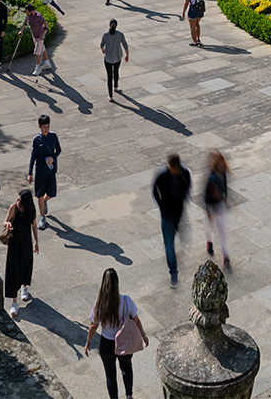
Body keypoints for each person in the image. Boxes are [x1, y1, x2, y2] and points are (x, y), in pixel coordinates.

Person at [82, 268, 145, 399]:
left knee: (110, 376)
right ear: (117, 283)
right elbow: (137, 320)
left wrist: (88, 342)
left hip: (107, 344)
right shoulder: (126, 300)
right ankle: (129, 395)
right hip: (125, 342)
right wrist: (143, 336)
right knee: (126, 368)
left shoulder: (99, 304)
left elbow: (93, 325)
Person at [152, 152, 192, 286]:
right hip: (167, 214)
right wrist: (161, 205)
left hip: (178, 212)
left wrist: (184, 198)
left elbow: (187, 187)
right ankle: (173, 272)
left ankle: (180, 232)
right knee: (169, 244)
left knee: (176, 235)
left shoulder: (185, 173)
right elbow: (154, 190)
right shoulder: (162, 176)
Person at [2, 188, 40, 315]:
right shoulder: (13, 208)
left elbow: (34, 225)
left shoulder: (30, 210)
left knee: (26, 265)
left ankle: (24, 287)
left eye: (20, 200)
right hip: (14, 244)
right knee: (13, 270)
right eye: (17, 199)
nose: (17, 202)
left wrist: (36, 242)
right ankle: (14, 302)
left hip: (26, 243)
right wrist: (7, 224)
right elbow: (5, 221)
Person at [202, 149, 233, 268]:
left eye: (222, 164)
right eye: (219, 165)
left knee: (222, 231)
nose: (221, 167)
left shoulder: (223, 171)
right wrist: (208, 210)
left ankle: (226, 256)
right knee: (210, 225)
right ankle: (209, 241)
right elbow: (206, 195)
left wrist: (225, 196)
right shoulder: (212, 178)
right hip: (211, 204)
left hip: (220, 204)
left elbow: (225, 184)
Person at [101, 19, 130, 102]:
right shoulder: (120, 34)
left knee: (109, 76)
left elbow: (101, 45)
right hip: (117, 57)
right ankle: (116, 86)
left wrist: (103, 49)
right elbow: (125, 45)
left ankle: (110, 96)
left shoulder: (105, 34)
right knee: (116, 71)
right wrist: (127, 55)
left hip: (108, 58)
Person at [26, 4, 51, 73]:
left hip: (40, 37)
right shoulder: (28, 15)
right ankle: (47, 63)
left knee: (37, 53)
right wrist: (21, 30)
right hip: (34, 36)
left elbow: (46, 25)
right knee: (42, 49)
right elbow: (25, 23)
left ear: (32, 11)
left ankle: (37, 68)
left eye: (27, 12)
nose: (26, 13)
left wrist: (43, 35)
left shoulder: (38, 17)